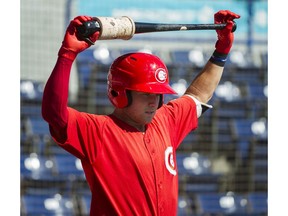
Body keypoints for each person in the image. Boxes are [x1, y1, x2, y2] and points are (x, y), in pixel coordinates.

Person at [42, 10, 240, 216]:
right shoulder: (98, 132)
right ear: (119, 93)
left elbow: (198, 94)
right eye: (146, 93)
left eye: (158, 94)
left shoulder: (166, 120)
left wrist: (222, 51)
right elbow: (53, 113)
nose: (154, 101)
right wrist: (67, 54)